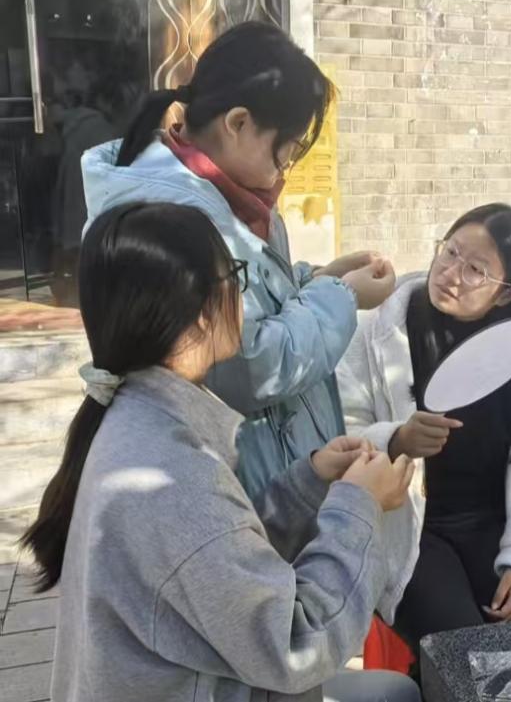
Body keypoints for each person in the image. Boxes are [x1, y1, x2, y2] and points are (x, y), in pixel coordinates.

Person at [20, 202, 419, 702]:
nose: (242, 295)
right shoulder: (168, 473)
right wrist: (360, 507)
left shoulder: (138, 420)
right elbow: (296, 644)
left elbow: (219, 558)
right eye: (235, 276)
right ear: (200, 314)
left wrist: (310, 482)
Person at [79, 21, 395, 503]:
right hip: (239, 484)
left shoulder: (231, 192)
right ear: (238, 123)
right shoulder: (173, 224)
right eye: (286, 150)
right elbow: (248, 366)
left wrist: (322, 278)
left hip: (278, 465)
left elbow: (262, 301)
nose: (286, 169)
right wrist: (344, 297)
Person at [337, 204, 511, 657]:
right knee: (462, 650)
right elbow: (341, 431)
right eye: (450, 251)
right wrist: (395, 440)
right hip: (412, 533)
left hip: (498, 524)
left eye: (475, 270)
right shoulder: (379, 336)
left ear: (506, 294)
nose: (450, 273)